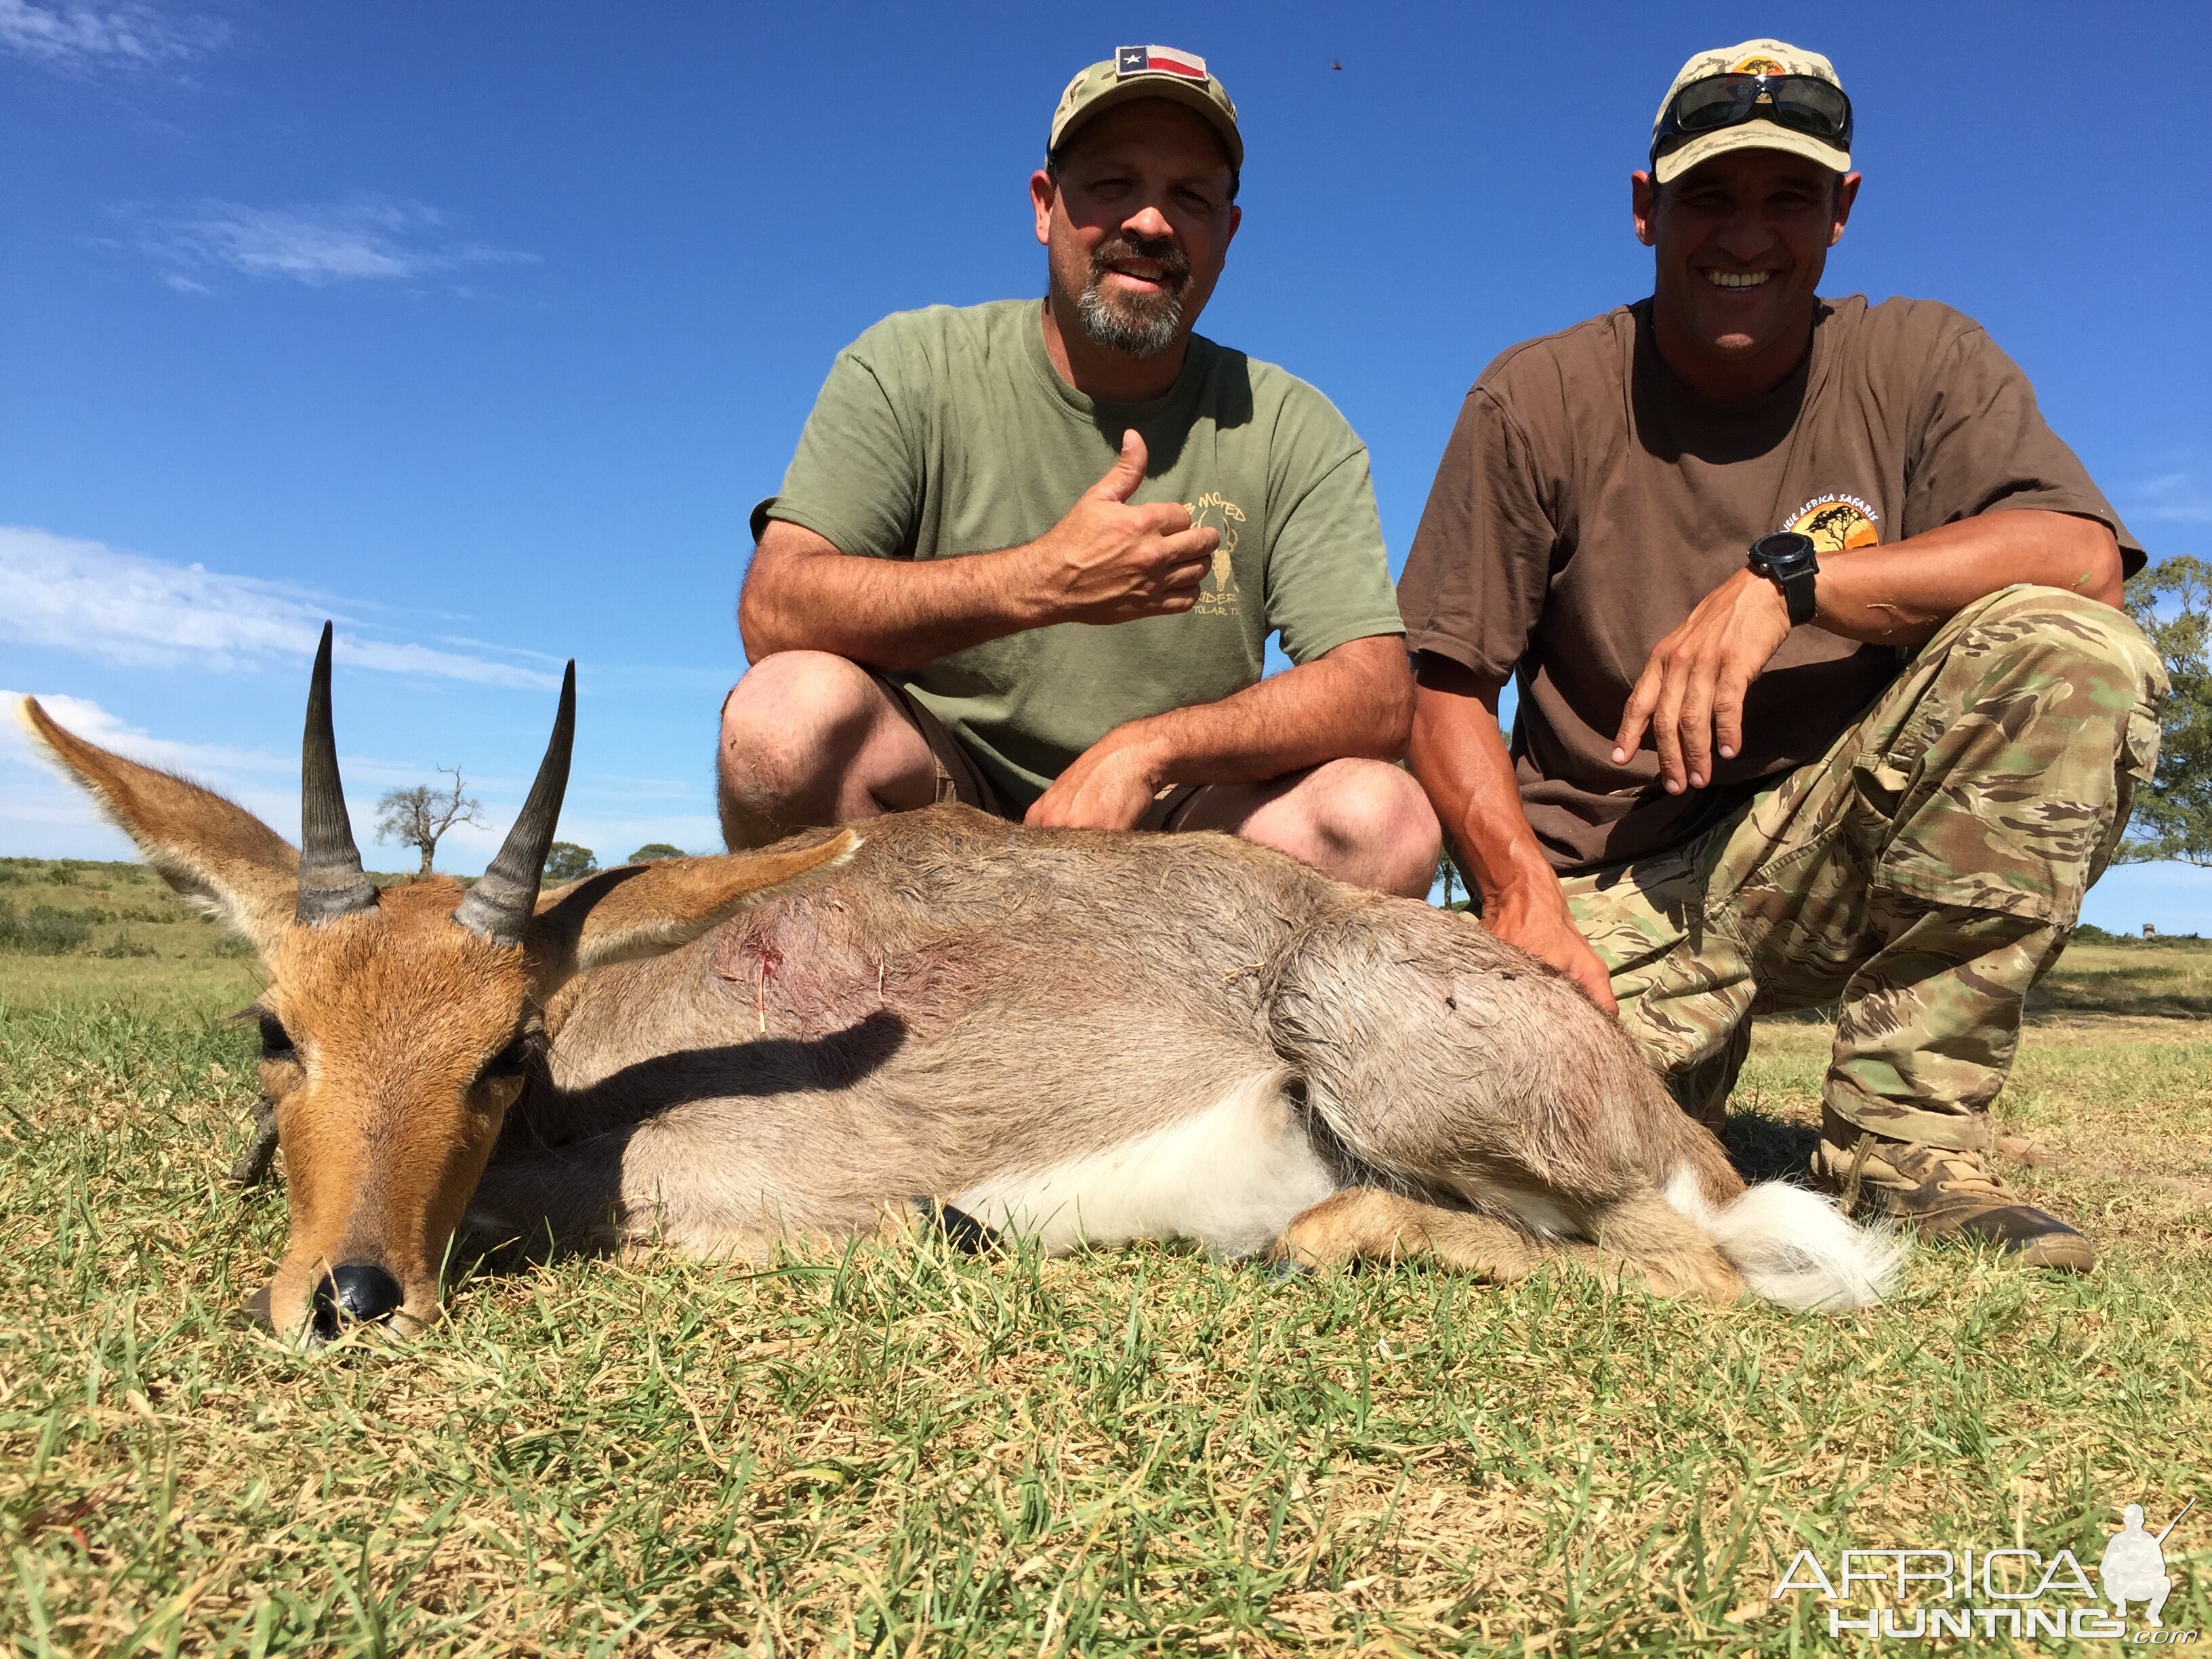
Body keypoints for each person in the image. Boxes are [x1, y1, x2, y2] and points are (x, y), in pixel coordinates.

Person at [1398, 38, 2167, 1269]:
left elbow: (2077, 555)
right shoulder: (1532, 397)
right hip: (1616, 883)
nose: (1742, 235)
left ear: (1840, 211)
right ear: (1646, 209)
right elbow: (1440, 686)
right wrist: (1517, 898)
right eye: (1708, 195)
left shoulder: (1921, 359)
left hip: (1833, 842)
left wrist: (1789, 583)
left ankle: (1904, 1147)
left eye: (1785, 198)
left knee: (2072, 652)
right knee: (1507, 1136)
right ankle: (1674, 1065)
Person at [719, 46, 1440, 897]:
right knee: (782, 718)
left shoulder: (1295, 427)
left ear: (1228, 234)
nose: (1151, 223)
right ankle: (838, 1003)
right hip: (937, 811)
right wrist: (1043, 580)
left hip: (1171, 826)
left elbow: (1378, 695)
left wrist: (1149, 749)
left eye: (1191, 197)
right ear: (1043, 205)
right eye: (1112, 184)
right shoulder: (908, 365)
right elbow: (775, 609)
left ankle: (1173, 1024)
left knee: (1382, 821)